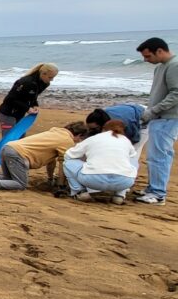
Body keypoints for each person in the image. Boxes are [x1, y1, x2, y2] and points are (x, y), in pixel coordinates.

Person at [0, 121, 88, 191]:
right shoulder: (67, 141)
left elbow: (52, 162)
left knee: (7, 178)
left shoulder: (55, 132)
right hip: (18, 154)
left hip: (9, 147)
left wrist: (50, 179)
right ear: (79, 135)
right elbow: (63, 165)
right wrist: (61, 185)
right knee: (20, 184)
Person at [133, 37, 178, 205]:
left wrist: (153, 110)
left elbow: (176, 94)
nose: (145, 60)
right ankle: (153, 188)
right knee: (155, 155)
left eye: (148, 56)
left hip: (168, 118)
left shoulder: (174, 65)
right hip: (158, 117)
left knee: (159, 155)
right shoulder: (160, 67)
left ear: (160, 51)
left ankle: (158, 193)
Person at [62, 120, 137, 204]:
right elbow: (132, 158)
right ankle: (119, 195)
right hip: (124, 182)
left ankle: (80, 192)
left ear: (103, 128)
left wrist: (86, 160)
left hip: (93, 180)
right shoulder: (126, 141)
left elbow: (69, 155)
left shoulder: (94, 138)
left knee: (68, 163)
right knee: (132, 161)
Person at [85, 104, 147, 202]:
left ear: (102, 125)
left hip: (143, 120)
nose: (91, 131)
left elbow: (134, 138)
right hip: (128, 112)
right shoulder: (102, 118)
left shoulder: (124, 123)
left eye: (94, 128)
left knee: (132, 154)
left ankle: (124, 188)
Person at [0, 63, 58, 136]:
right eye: (50, 77)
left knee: (21, 139)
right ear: (43, 74)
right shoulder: (26, 82)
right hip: (7, 114)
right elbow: (10, 99)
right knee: (9, 139)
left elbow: (32, 96)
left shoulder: (44, 83)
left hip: (19, 114)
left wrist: (35, 105)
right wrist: (27, 108)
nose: (52, 80)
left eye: (53, 77)